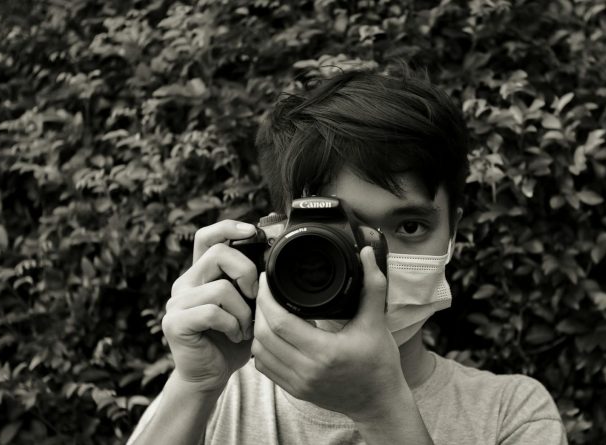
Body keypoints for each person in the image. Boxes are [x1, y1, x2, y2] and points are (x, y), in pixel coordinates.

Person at [128, 65, 567, 445]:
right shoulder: (216, 396)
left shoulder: (512, 413)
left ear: (452, 231)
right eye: (341, 230)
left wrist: (381, 410)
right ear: (276, 234)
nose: (374, 266)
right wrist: (194, 385)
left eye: (410, 227)